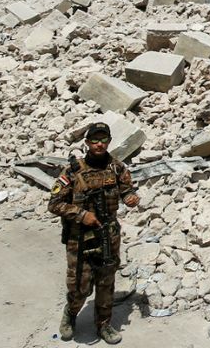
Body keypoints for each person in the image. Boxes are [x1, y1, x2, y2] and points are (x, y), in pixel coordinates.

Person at [47, 122, 140, 344]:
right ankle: (70, 314)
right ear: (87, 143)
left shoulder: (117, 168)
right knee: (80, 284)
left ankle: (103, 325)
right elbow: (54, 204)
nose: (99, 144)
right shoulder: (72, 171)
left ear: (109, 142)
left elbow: (126, 189)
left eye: (103, 140)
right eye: (95, 140)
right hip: (79, 237)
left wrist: (130, 198)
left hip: (108, 234)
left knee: (106, 282)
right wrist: (81, 214)